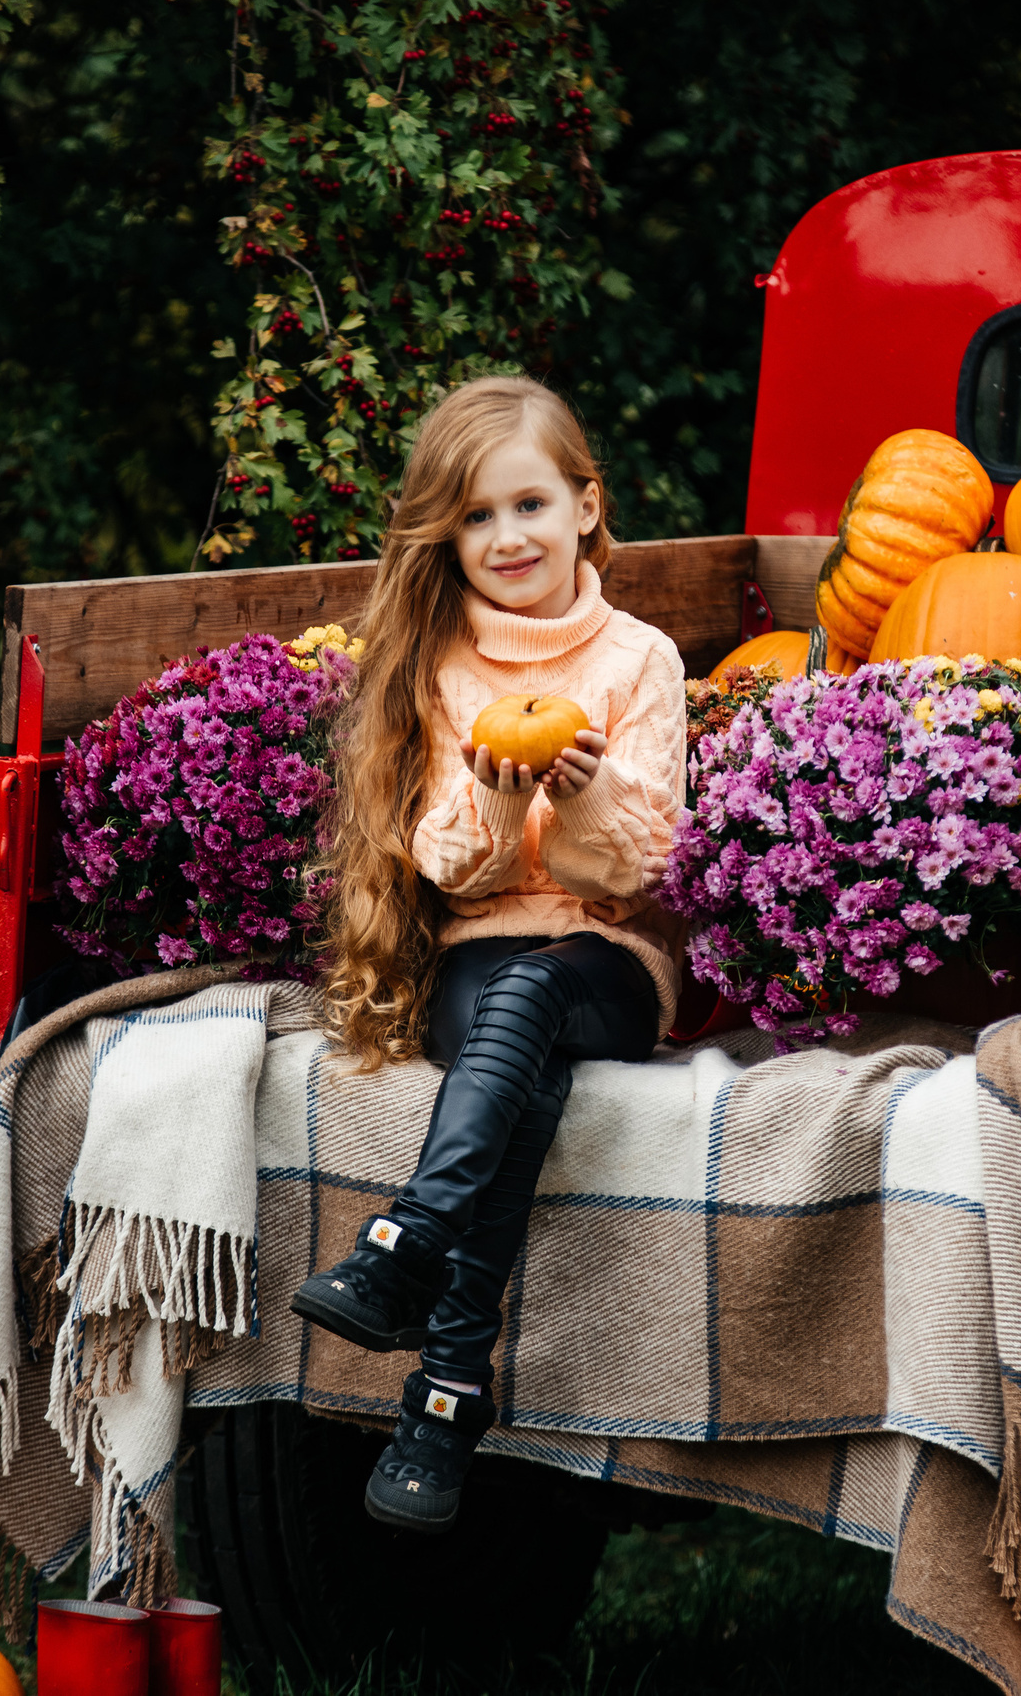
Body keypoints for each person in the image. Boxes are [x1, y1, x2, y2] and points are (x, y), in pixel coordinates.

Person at [292, 375, 685, 1533]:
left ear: (583, 505)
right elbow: (448, 872)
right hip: (480, 950)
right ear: (445, 537)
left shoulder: (638, 659)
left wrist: (584, 792)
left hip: (609, 958)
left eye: (527, 505)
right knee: (522, 1068)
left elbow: (635, 874)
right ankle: (448, 1393)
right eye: (474, 517)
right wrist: (488, 794)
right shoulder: (441, 663)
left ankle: (409, 1240)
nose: (505, 537)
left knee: (542, 996)